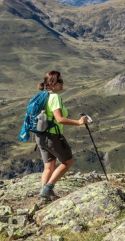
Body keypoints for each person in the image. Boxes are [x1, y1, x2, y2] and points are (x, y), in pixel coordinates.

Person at [37, 71, 87, 200]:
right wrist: (79, 122)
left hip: (40, 136)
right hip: (53, 136)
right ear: (52, 83)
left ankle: (44, 196)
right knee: (68, 161)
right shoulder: (54, 98)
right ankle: (48, 188)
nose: (62, 83)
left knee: (49, 166)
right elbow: (59, 119)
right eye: (60, 81)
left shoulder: (42, 95)